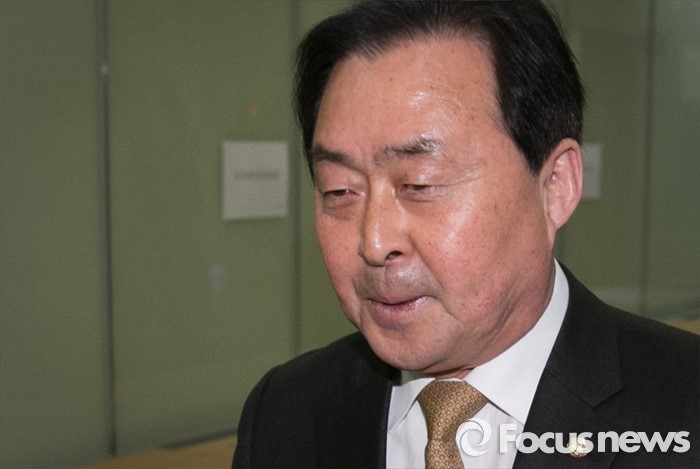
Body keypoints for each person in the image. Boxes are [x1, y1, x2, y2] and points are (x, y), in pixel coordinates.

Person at [232, 1, 699, 467]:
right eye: (339, 190)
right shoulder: (285, 414)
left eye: (421, 184)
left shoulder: (685, 406)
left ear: (555, 186)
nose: (374, 242)